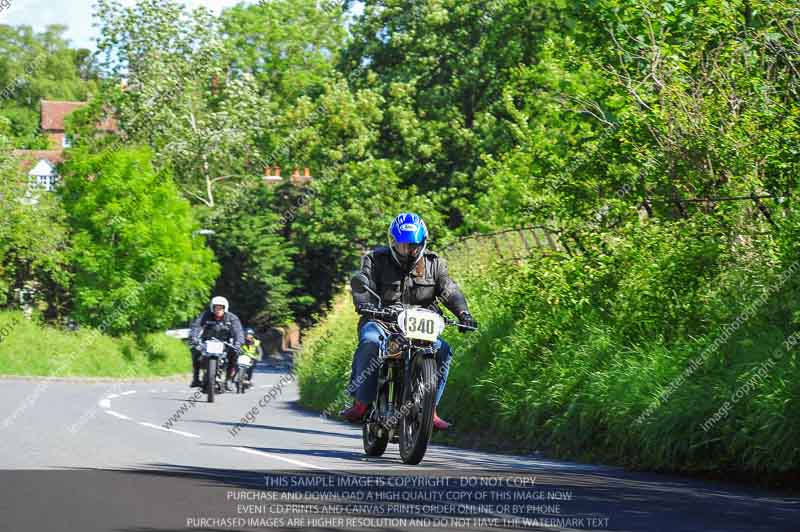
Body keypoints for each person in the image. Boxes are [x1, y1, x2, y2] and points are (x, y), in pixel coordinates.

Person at [339, 212, 477, 430]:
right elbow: (362, 283)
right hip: (382, 322)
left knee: (443, 350)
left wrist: (463, 314)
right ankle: (361, 403)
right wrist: (364, 302)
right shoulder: (375, 259)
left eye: (412, 245)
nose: (407, 250)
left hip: (420, 328)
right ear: (392, 243)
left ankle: (430, 409)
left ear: (422, 242)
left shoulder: (435, 264)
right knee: (370, 342)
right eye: (401, 245)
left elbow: (450, 290)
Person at [189, 296, 244, 391]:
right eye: (216, 308)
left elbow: (238, 331)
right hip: (207, 342)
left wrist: (238, 343)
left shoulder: (232, 318)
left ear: (225, 308)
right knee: (195, 351)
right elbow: (196, 326)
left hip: (225, 343)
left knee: (234, 354)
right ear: (212, 308)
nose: (218, 310)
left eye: (221, 308)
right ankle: (196, 378)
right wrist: (194, 337)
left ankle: (228, 380)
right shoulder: (205, 315)